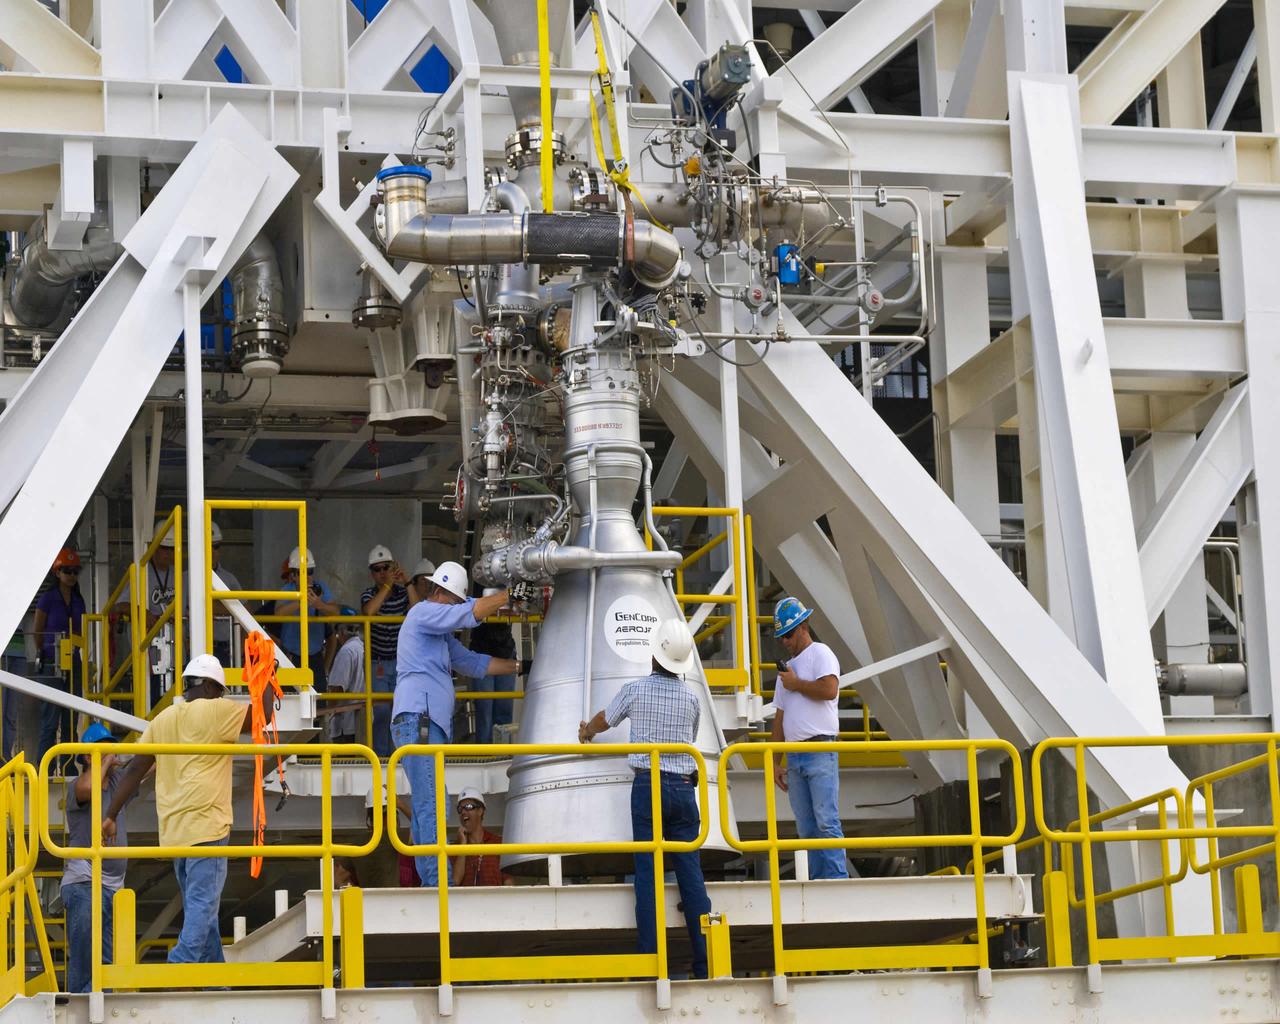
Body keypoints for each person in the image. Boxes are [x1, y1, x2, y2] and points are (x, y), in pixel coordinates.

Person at [101, 654, 272, 964]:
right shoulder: (215, 710)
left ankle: (215, 982)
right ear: (208, 686)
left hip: (175, 832)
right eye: (219, 690)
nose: (220, 696)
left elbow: (136, 769)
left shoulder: (163, 719)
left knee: (201, 910)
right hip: (207, 826)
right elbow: (263, 715)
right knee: (203, 906)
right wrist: (268, 671)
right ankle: (179, 965)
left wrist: (111, 815)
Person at [579, 619, 711, 980]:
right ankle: (705, 962)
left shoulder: (635, 689)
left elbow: (605, 719)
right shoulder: (691, 698)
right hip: (684, 788)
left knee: (647, 874)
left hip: (648, 785)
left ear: (655, 655)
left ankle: (652, 964)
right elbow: (690, 738)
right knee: (691, 875)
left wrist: (587, 731)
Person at [393, 562, 517, 886]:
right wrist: (509, 595)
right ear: (442, 593)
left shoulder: (439, 636)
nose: (457, 609)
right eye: (456, 601)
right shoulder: (423, 613)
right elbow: (468, 614)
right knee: (431, 804)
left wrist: (521, 666)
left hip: (423, 723)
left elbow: (473, 663)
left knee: (429, 803)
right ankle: (438, 885)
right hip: (419, 720)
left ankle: (431, 880)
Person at [769, 596, 848, 880]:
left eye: (788, 634)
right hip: (797, 754)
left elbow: (829, 690)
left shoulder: (821, 653)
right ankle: (819, 881)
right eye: (782, 637)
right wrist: (774, 762)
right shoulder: (787, 673)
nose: (785, 641)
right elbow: (779, 718)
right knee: (807, 827)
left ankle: (836, 880)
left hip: (819, 749)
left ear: (803, 626)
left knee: (825, 821)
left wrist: (796, 684)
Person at [62, 723, 136, 993]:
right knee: (85, 957)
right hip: (84, 881)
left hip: (113, 886)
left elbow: (147, 766)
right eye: (103, 749)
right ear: (87, 756)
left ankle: (101, 1005)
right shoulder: (77, 786)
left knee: (107, 960)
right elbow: (88, 788)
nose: (110, 753)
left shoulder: (117, 782)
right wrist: (103, 762)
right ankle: (83, 1006)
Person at [360, 545, 415, 757]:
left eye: (386, 567)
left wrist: (407, 581)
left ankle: (398, 756)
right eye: (377, 569)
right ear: (371, 573)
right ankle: (381, 757)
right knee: (382, 711)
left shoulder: (403, 593)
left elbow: (418, 610)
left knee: (399, 711)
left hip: (401, 663)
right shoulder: (369, 594)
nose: (382, 572)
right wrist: (388, 585)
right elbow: (369, 611)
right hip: (378, 663)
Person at [34, 548, 85, 768]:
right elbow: (38, 631)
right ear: (57, 572)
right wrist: (46, 653)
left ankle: (68, 765)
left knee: (70, 718)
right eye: (67, 571)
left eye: (75, 571)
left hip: (73, 661)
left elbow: (82, 630)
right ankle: (44, 768)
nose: (71, 576)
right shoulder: (48, 599)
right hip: (51, 663)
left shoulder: (78, 600)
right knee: (50, 720)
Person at [276, 547, 340, 690]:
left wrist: (319, 604)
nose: (307, 576)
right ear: (293, 575)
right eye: (302, 572)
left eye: (310, 571)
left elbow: (336, 612)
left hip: (315, 657)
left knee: (318, 701)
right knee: (290, 700)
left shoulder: (320, 588)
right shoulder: (287, 590)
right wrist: (301, 601)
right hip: (290, 658)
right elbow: (278, 614)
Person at [466, 614, 516, 744]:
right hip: (485, 650)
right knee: (485, 710)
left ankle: (501, 750)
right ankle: (487, 752)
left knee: (501, 710)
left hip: (502, 649)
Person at [450, 788, 514, 887]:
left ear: (480, 811)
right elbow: (455, 882)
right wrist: (463, 845)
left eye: (468, 807)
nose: (463, 812)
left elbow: (509, 883)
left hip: (495, 897)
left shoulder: (498, 842)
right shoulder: (453, 849)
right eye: (460, 809)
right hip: (466, 897)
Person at [325, 609, 364, 745]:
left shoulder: (346, 651)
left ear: (341, 632)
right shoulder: (363, 647)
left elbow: (337, 689)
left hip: (346, 724)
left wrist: (328, 714)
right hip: (362, 721)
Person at [209, 522, 243, 667]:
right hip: (196, 647)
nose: (212, 551)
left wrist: (241, 645)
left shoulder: (230, 579)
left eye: (216, 546)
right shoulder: (186, 578)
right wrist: (228, 608)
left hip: (226, 649)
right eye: (208, 546)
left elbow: (245, 612)